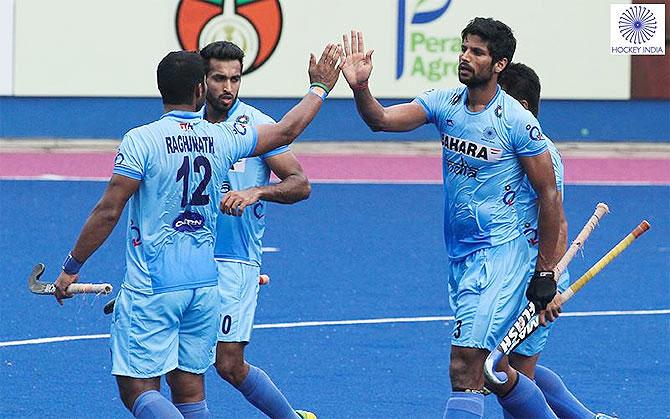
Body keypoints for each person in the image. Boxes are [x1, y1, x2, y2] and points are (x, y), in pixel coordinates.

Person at [53, 46, 341, 418]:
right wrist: (320, 87)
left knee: (137, 390)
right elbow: (288, 129)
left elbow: (108, 211)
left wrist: (71, 266)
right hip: (204, 284)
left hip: (155, 283)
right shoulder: (221, 138)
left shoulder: (141, 140)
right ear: (200, 89)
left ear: (161, 90)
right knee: (189, 387)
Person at [339, 18, 567, 418]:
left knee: (466, 366)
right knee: (496, 372)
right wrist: (361, 88)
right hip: (461, 256)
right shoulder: (444, 102)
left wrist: (546, 273)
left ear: (499, 64)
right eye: (464, 48)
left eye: (477, 52)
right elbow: (381, 120)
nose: (465, 57)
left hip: (501, 256)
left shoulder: (516, 122)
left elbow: (549, 197)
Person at [187, 40, 314, 418]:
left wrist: (257, 191)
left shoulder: (257, 128)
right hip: (186, 258)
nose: (228, 88)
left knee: (228, 364)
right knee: (181, 363)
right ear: (201, 80)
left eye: (235, 79)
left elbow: (300, 183)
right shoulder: (184, 127)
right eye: (219, 78)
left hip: (234, 262)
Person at [500, 62, 616, 419]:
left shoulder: (540, 152)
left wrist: (546, 279)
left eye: (496, 102)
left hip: (535, 277)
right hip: (507, 274)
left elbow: (557, 222)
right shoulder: (503, 145)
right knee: (511, 370)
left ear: (520, 106)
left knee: (507, 374)